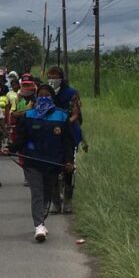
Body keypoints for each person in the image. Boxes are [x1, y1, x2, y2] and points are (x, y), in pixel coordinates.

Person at [7, 84, 75, 242]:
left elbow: (68, 142)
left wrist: (69, 161)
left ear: (52, 98)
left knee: (47, 193)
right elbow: (21, 138)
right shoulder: (28, 115)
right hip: (32, 162)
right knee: (36, 193)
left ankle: (41, 220)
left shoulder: (62, 116)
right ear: (36, 97)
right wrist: (10, 148)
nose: (44, 98)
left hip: (53, 163)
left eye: (47, 96)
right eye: (41, 95)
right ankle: (38, 225)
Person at [46, 66, 83, 214]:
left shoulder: (72, 93)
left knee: (68, 168)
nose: (53, 78)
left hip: (68, 134)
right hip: (50, 135)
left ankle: (67, 201)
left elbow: (76, 113)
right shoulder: (45, 93)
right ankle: (56, 202)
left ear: (61, 77)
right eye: (50, 75)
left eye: (55, 76)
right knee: (51, 169)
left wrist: (64, 123)